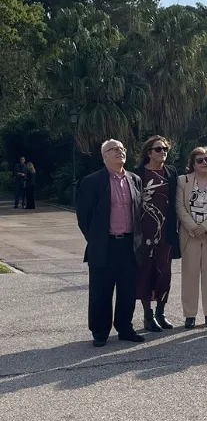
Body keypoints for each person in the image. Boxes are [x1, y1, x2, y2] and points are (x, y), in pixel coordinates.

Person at [76, 139, 144, 347]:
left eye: (122, 149)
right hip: (104, 244)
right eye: (113, 149)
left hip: (129, 244)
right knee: (101, 291)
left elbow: (138, 212)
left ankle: (125, 327)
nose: (119, 152)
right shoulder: (91, 181)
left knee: (128, 290)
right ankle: (100, 331)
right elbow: (84, 217)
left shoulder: (134, 179)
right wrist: (96, 239)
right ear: (103, 155)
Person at [176, 147, 207, 328]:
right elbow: (180, 207)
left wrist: (205, 227)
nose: (205, 163)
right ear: (192, 163)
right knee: (189, 275)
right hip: (190, 235)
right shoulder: (183, 181)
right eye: (200, 160)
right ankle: (190, 315)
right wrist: (193, 227)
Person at [135, 135, 180, 332]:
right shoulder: (138, 174)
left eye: (165, 149)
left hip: (166, 229)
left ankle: (161, 312)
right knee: (145, 271)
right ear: (149, 152)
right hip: (145, 230)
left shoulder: (171, 172)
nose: (163, 152)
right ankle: (147, 315)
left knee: (164, 272)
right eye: (158, 149)